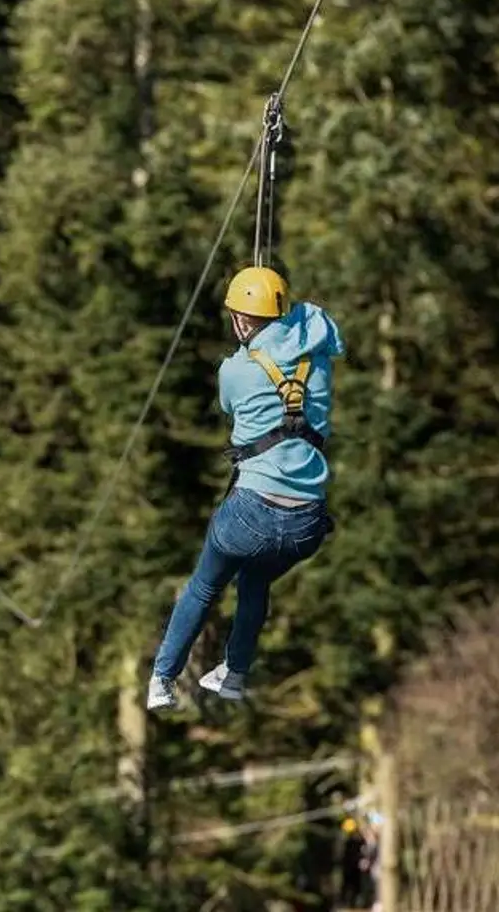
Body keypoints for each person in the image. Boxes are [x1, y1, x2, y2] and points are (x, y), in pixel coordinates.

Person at [147, 265, 342, 712]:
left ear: (240, 321)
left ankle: (162, 678)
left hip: (249, 513)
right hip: (306, 523)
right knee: (255, 582)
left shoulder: (235, 370)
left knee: (203, 587)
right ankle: (234, 675)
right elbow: (320, 322)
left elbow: (228, 407)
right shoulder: (320, 357)